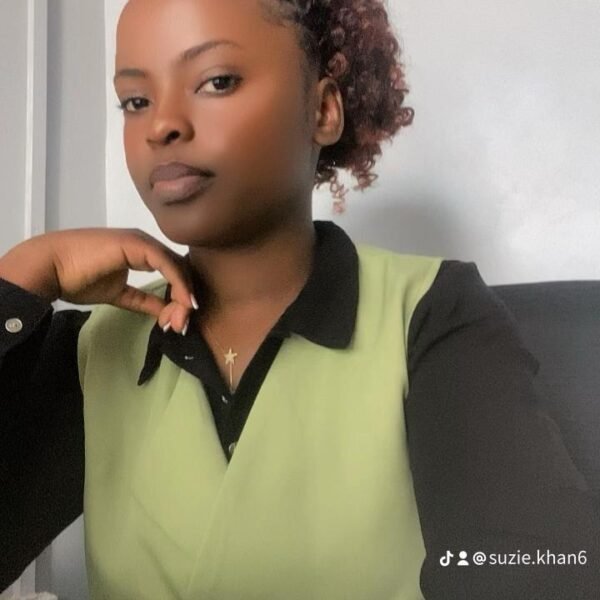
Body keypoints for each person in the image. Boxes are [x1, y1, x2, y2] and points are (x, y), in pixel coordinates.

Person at [1, 0, 599, 598]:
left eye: (217, 81)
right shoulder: (98, 346)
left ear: (322, 110)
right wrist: (20, 277)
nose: (161, 126)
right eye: (136, 101)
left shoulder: (431, 312)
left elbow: (537, 570)